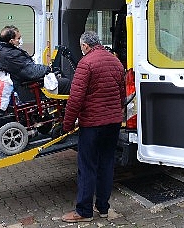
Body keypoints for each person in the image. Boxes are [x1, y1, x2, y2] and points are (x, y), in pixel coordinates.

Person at [61, 31, 125, 223]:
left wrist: (67, 124)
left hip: (92, 124)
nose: (81, 50)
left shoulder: (86, 63)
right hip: (113, 123)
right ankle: (103, 208)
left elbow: (76, 99)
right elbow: (122, 94)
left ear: (86, 46)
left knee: (87, 167)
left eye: (81, 47)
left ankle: (84, 212)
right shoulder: (115, 62)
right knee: (106, 164)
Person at [0, 25, 70, 97]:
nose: (20, 40)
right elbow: (30, 71)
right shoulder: (11, 54)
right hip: (25, 86)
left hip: (18, 82)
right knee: (65, 83)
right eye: (18, 38)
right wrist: (48, 69)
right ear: (11, 41)